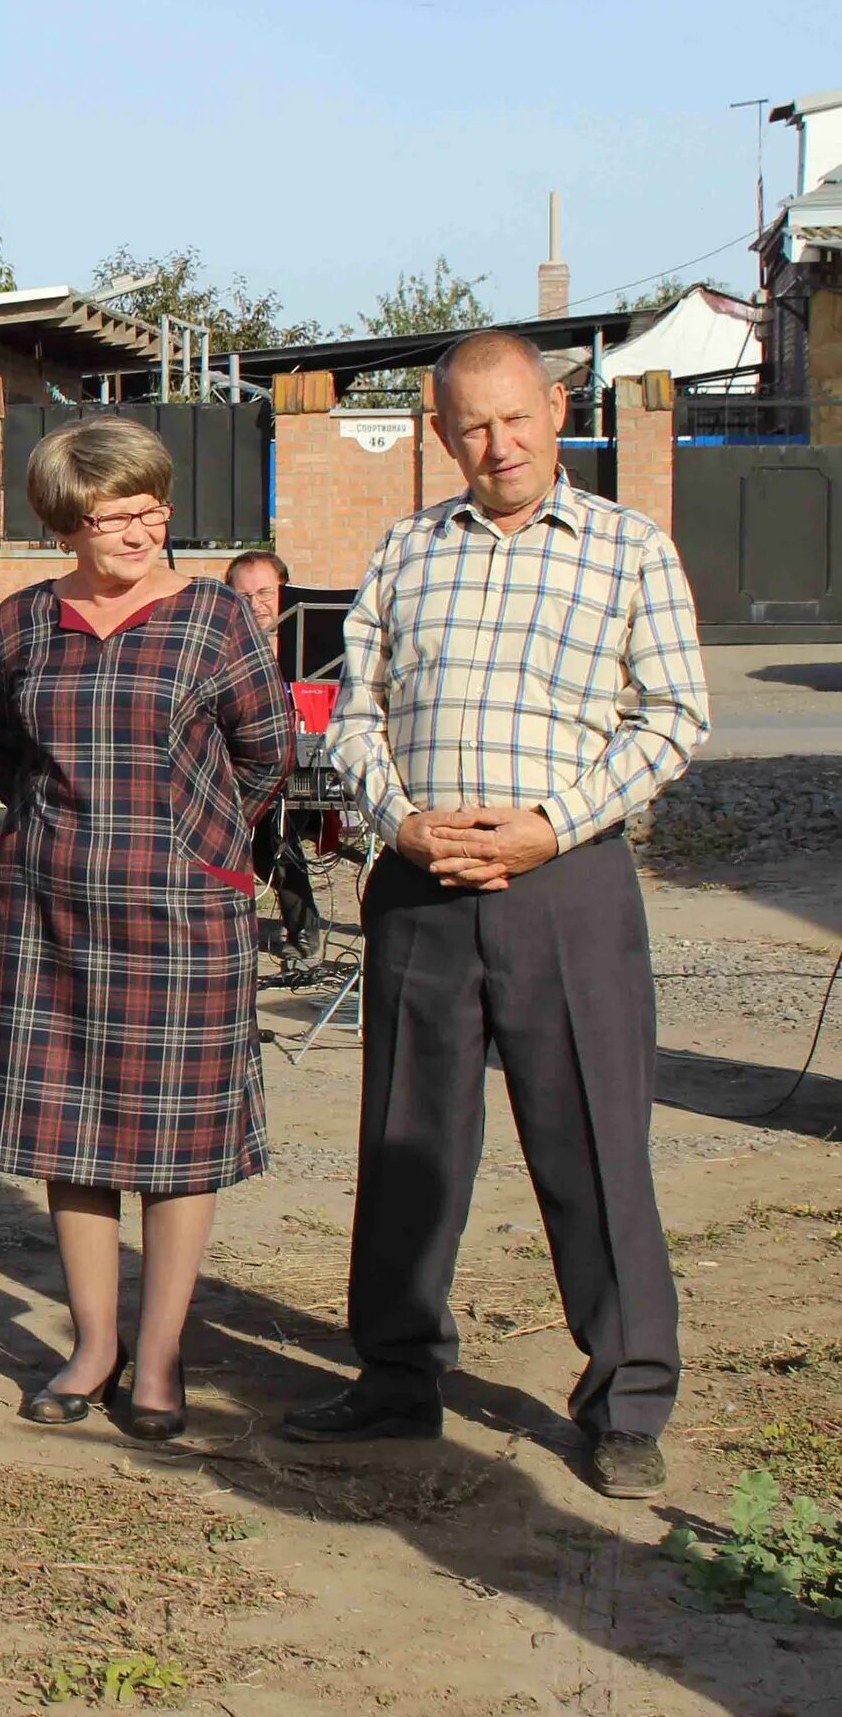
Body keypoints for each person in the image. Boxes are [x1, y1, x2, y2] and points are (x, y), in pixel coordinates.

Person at [288, 331, 708, 1500]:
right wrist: (400, 818)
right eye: (472, 425)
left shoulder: (628, 549)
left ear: (557, 408)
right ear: (439, 432)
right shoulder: (407, 551)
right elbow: (351, 709)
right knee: (409, 1140)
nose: (498, 444)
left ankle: (626, 1393)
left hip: (563, 880)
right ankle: (397, 1371)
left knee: (593, 1145)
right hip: (421, 884)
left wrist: (550, 821)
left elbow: (672, 717)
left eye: (517, 418)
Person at [0, 419, 294, 1439]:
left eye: (156, 509)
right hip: (52, 915)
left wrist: (193, 847)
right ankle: (93, 1343)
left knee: (177, 1147)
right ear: (68, 520)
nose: (145, 529)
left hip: (184, 917)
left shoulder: (215, 619)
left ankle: (159, 1356)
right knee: (74, 1134)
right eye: (120, 515)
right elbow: (1, 754)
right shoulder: (22, 624)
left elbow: (266, 750)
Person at [224, 548, 321, 962]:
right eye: (243, 597)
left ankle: (304, 931)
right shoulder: (223, 650)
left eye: (265, 592)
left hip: (300, 766)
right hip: (240, 770)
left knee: (280, 835)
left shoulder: (309, 650)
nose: (256, 605)